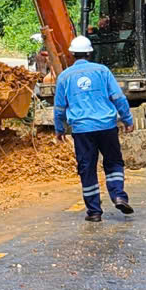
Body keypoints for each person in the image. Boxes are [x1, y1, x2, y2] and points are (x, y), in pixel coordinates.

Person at [52, 35, 135, 223]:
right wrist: (127, 119)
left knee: (87, 168)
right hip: (107, 126)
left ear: (72, 54)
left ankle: (94, 211)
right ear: (90, 52)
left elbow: (59, 108)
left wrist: (59, 129)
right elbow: (118, 97)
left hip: (82, 130)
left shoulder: (65, 76)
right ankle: (119, 195)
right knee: (113, 162)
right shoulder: (102, 71)